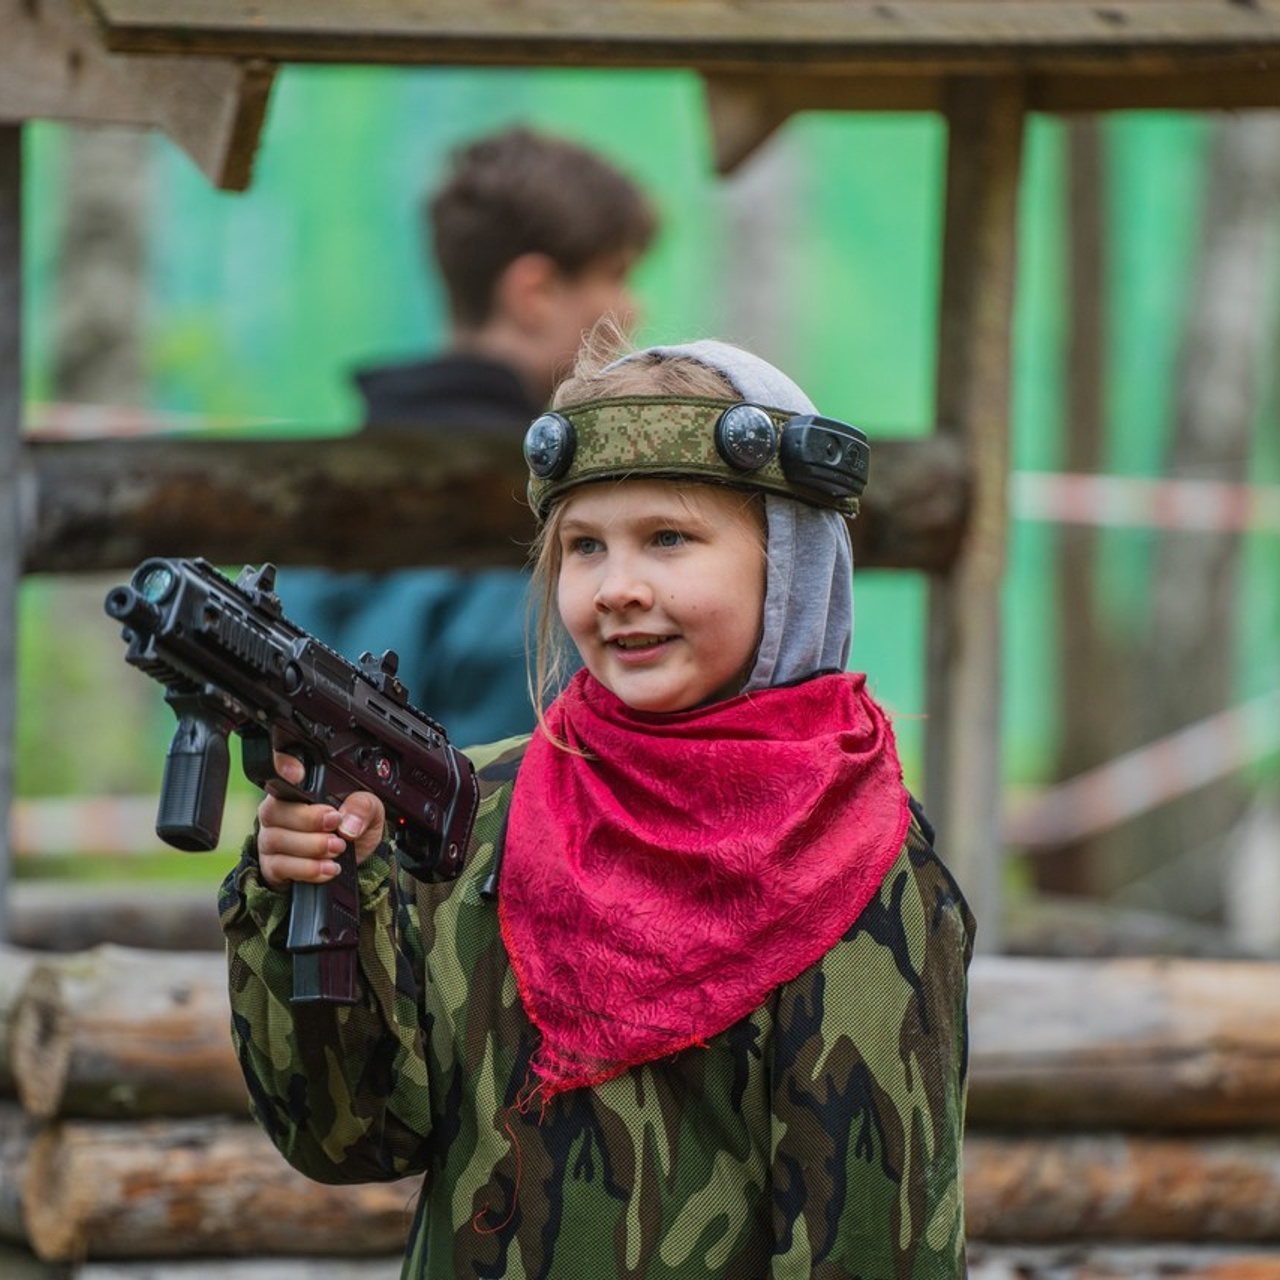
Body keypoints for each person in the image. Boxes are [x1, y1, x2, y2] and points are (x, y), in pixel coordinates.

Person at [221, 333, 976, 1277]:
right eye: (585, 546)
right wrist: (321, 892)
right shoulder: (476, 812)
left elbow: (871, 1252)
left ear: (787, 563)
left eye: (669, 537)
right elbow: (352, 1135)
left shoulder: (860, 860)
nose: (619, 586)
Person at [284, 126, 658, 749]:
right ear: (533, 292)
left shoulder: (317, 498)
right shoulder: (548, 511)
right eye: (615, 276)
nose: (632, 310)